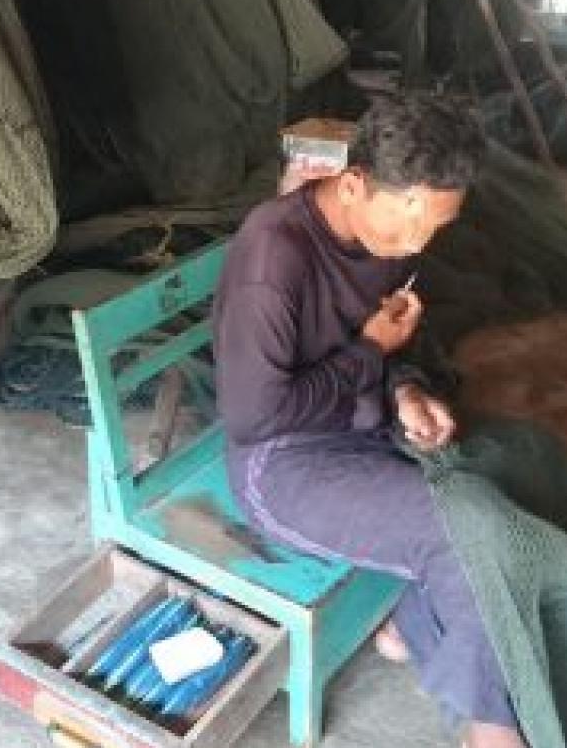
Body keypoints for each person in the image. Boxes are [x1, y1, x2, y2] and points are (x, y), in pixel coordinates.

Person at [211, 94, 525, 748]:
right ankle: (490, 730)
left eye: (436, 225)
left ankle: (409, 624)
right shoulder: (275, 256)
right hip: (285, 464)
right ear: (352, 185)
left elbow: (392, 343)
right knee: (466, 532)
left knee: (499, 477)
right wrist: (372, 353)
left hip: (362, 422)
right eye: (409, 222)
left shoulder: (388, 235)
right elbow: (252, 417)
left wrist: (405, 388)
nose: (416, 243)